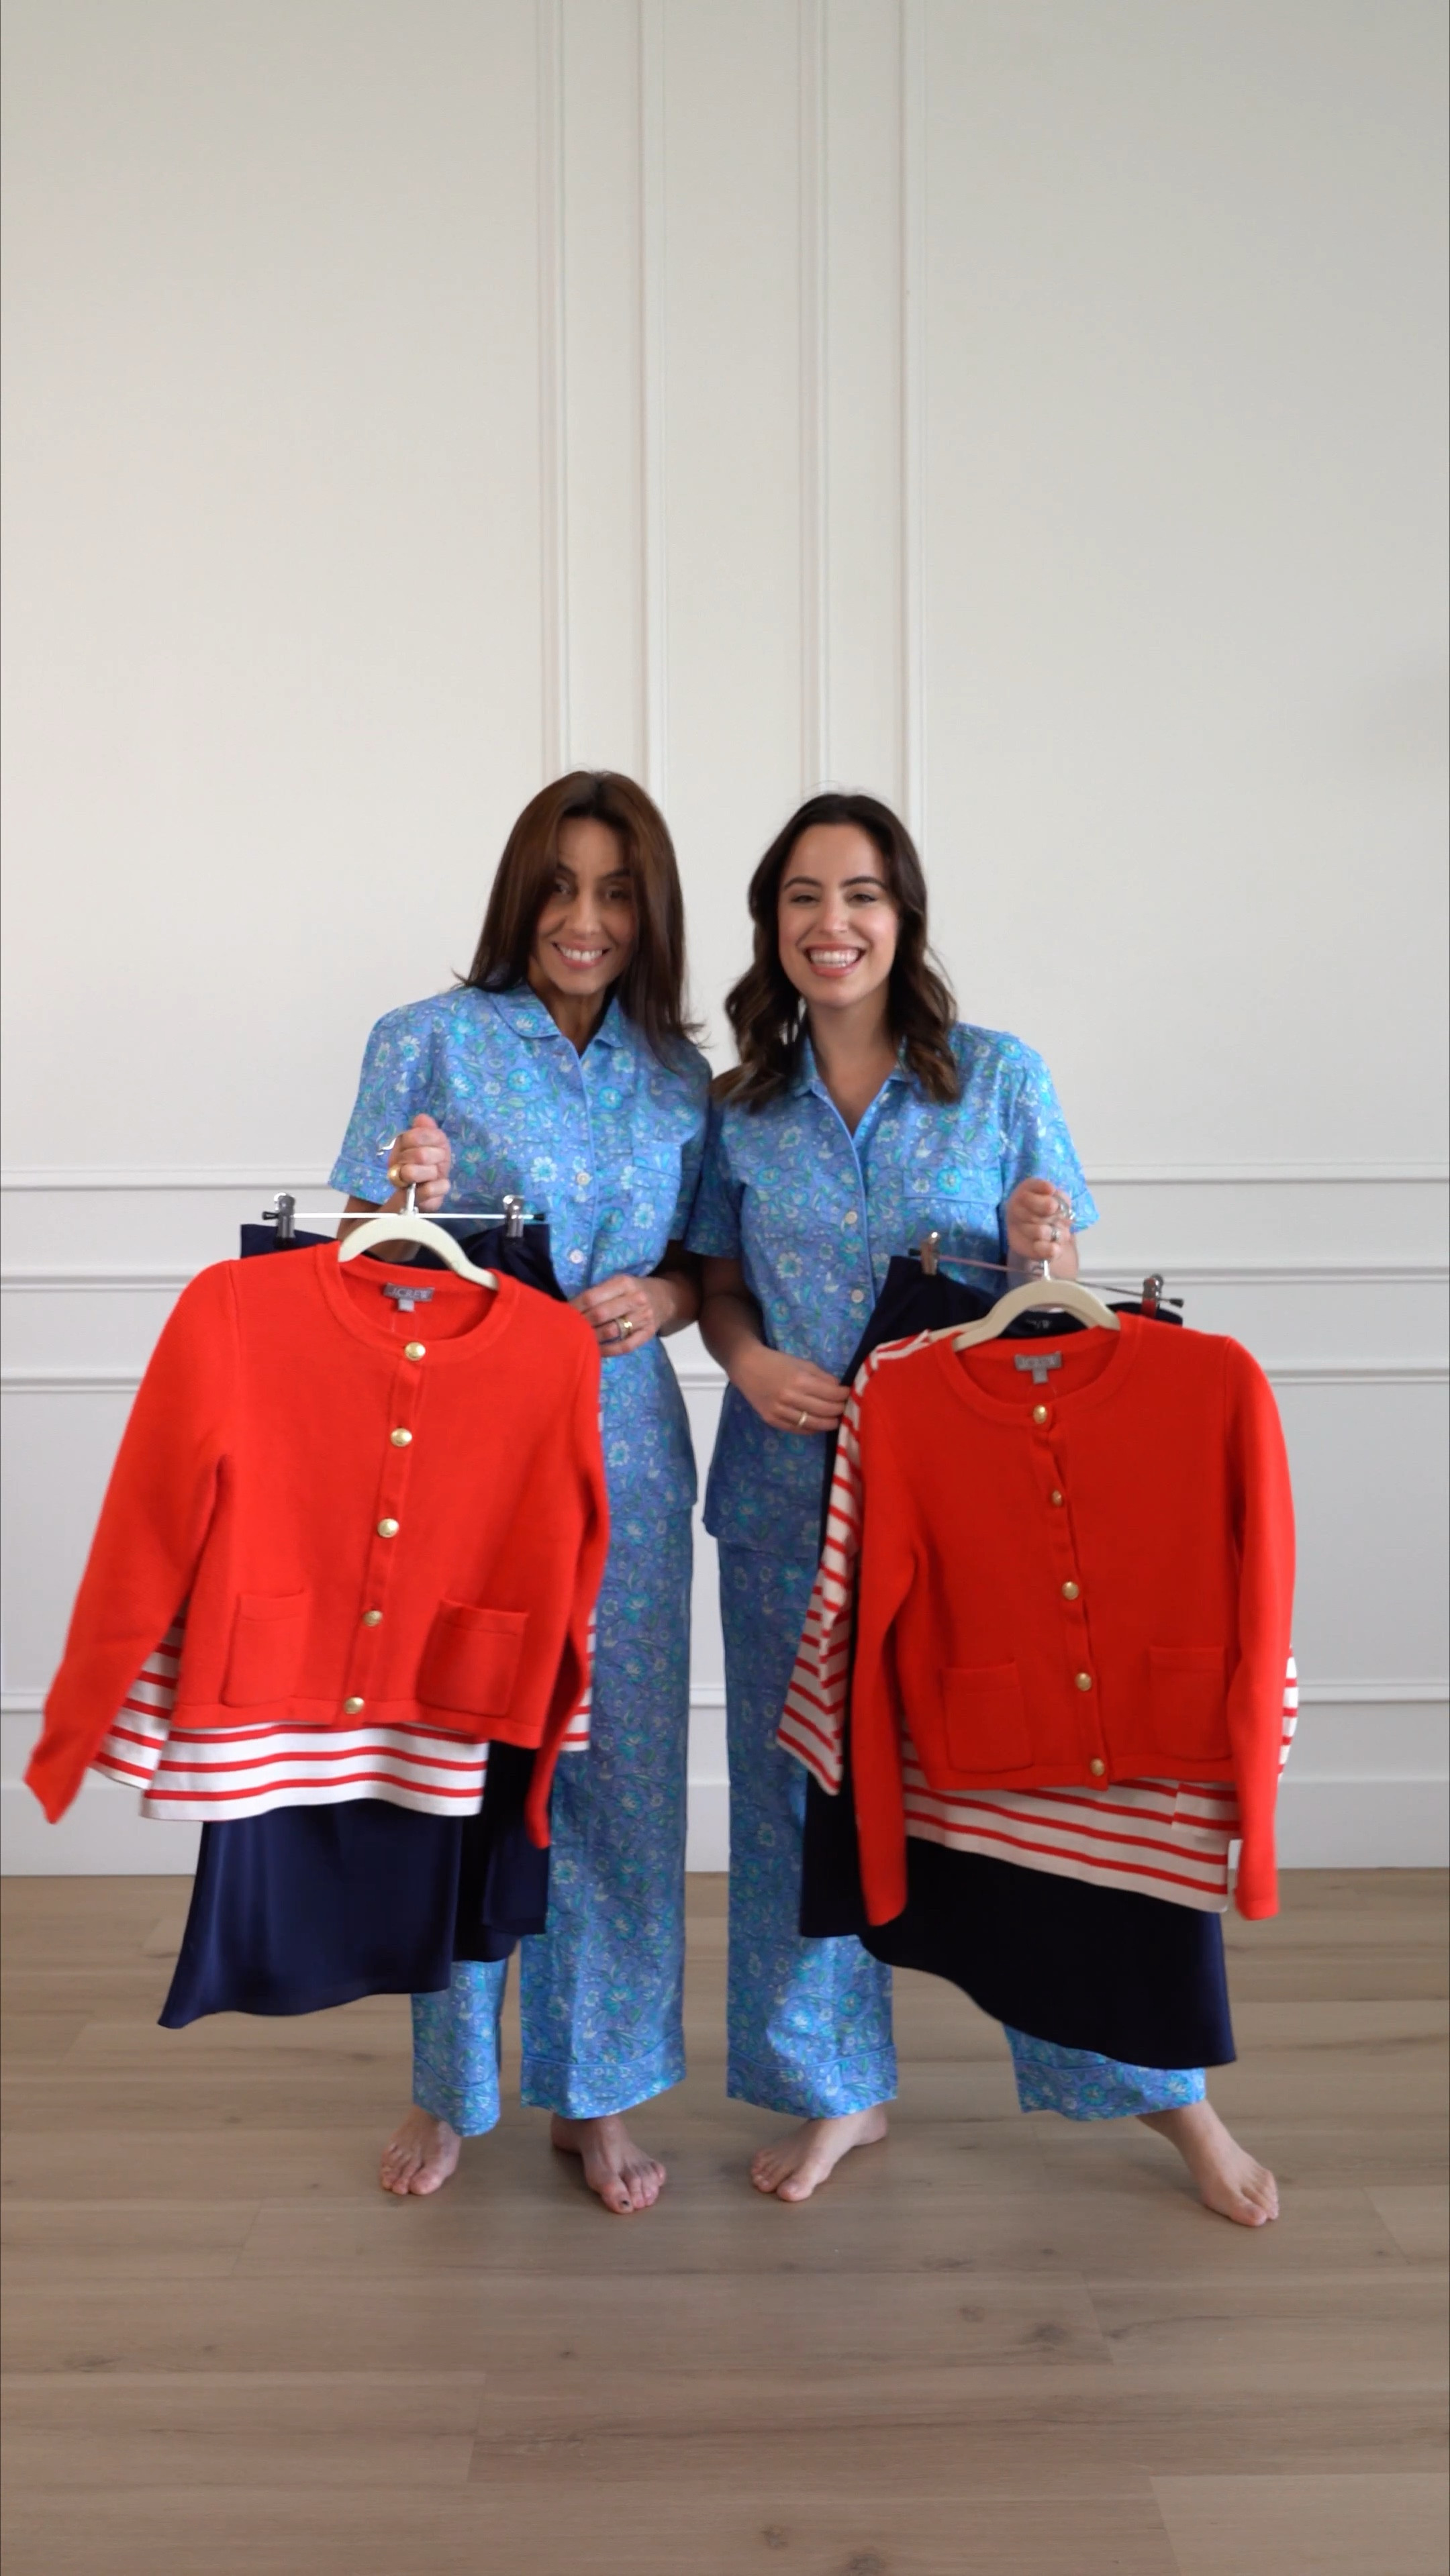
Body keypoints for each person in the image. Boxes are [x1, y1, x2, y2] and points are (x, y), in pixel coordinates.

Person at [689, 791, 1279, 2226]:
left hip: (978, 1506)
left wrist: (1044, 1239)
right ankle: (840, 2088)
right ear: (773, 925)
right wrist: (750, 1355)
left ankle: (1160, 2090)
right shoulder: (740, 1110)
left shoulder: (1000, 1076)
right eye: (805, 898)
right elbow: (715, 1281)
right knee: (801, 1798)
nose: (836, 924)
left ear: (907, 917)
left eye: (865, 895)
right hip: (787, 1490)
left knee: (1034, 1788)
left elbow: (1067, 1288)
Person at [331, 772, 709, 2214]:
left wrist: (662, 1291)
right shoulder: (422, 1042)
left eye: (617, 892)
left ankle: (595, 2094)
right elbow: (355, 1264)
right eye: (562, 886)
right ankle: (453, 2083)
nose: (586, 919)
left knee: (617, 1777)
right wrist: (400, 1190)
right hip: (467, 1455)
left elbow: (710, 1263)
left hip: (623, 1446)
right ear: (522, 893)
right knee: (467, 1768)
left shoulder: (679, 1073)